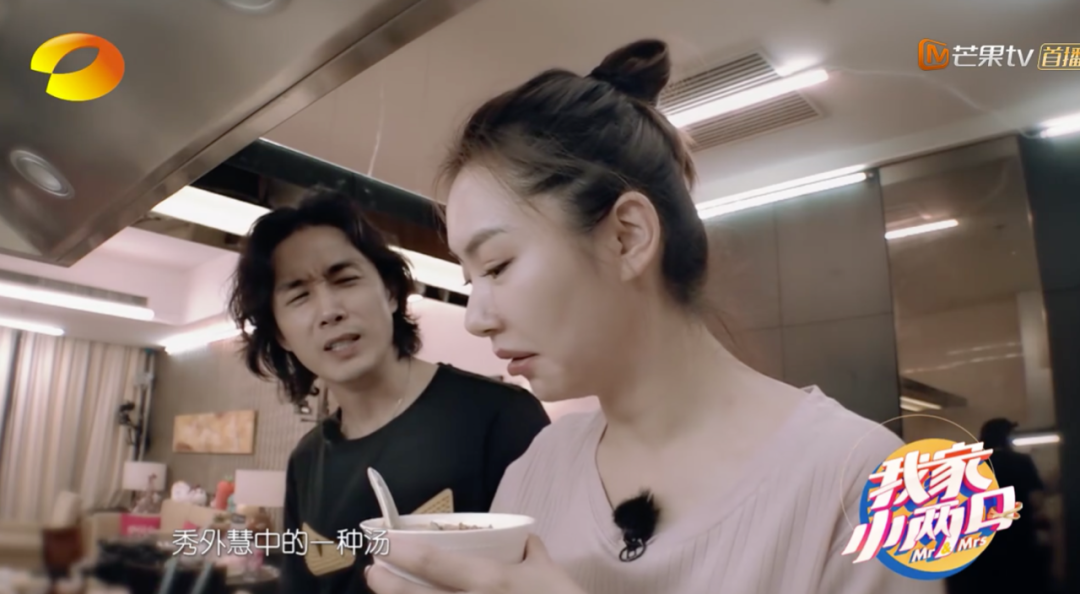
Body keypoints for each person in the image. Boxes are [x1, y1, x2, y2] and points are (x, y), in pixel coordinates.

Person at [365, 40, 944, 594]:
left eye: (497, 266)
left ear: (627, 236)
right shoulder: (538, 467)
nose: (477, 320)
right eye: (471, 280)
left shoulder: (862, 479)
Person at [227, 192, 550, 594]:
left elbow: (554, 572)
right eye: (298, 295)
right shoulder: (306, 461)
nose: (329, 311)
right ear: (280, 335)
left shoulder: (501, 417)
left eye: (345, 279)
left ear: (391, 292)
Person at [947, 418, 1052, 594]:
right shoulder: (1021, 462)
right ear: (1006, 438)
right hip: (1017, 545)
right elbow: (1036, 500)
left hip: (977, 549)